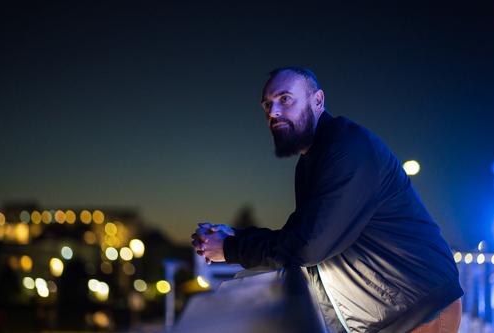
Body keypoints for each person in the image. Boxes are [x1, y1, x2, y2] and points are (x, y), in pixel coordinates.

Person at [191, 67, 463, 332]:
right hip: (390, 317)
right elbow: (299, 236)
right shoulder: (312, 159)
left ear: (317, 100)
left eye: (285, 99)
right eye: (267, 105)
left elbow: (309, 246)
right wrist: (234, 236)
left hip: (418, 313)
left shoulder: (348, 150)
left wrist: (231, 248)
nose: (273, 112)